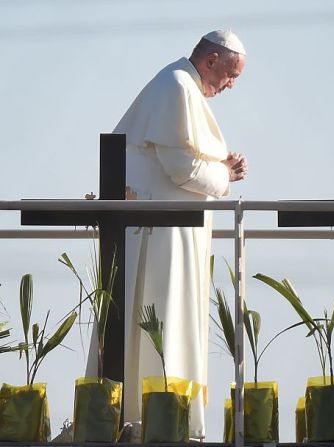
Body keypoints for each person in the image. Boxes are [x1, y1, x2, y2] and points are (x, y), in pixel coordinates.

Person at [85, 30, 248, 440]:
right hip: (156, 234)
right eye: (230, 75)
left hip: (171, 231)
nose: (231, 85)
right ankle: (146, 421)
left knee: (168, 321)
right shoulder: (176, 86)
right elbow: (183, 170)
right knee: (160, 318)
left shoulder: (183, 87)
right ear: (211, 60)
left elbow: (187, 156)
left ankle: (162, 419)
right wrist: (225, 175)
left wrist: (220, 165)